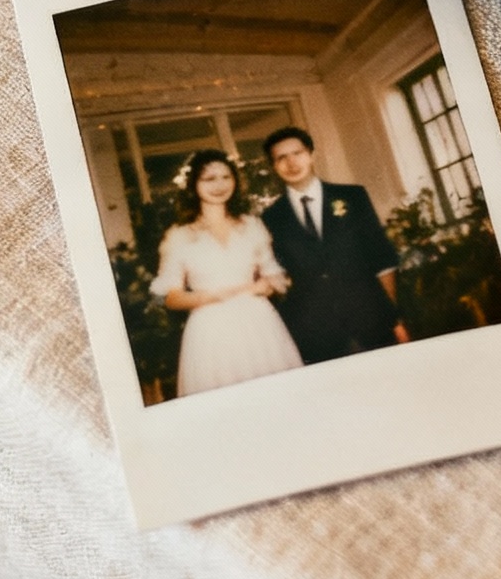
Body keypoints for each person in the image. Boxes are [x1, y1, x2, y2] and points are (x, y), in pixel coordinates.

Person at [150, 150, 303, 398]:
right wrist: (216, 296)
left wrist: (270, 284)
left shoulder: (251, 225)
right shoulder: (179, 235)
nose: (220, 185)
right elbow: (169, 296)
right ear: (192, 185)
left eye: (225, 177)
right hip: (211, 330)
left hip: (258, 324)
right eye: (209, 179)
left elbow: (274, 273)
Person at [260, 126, 409, 364]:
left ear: (311, 154)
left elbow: (382, 258)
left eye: (297, 153)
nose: (291, 163)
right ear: (273, 166)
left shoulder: (353, 197)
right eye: (281, 158)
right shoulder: (271, 217)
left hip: (371, 319)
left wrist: (391, 316)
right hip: (314, 332)